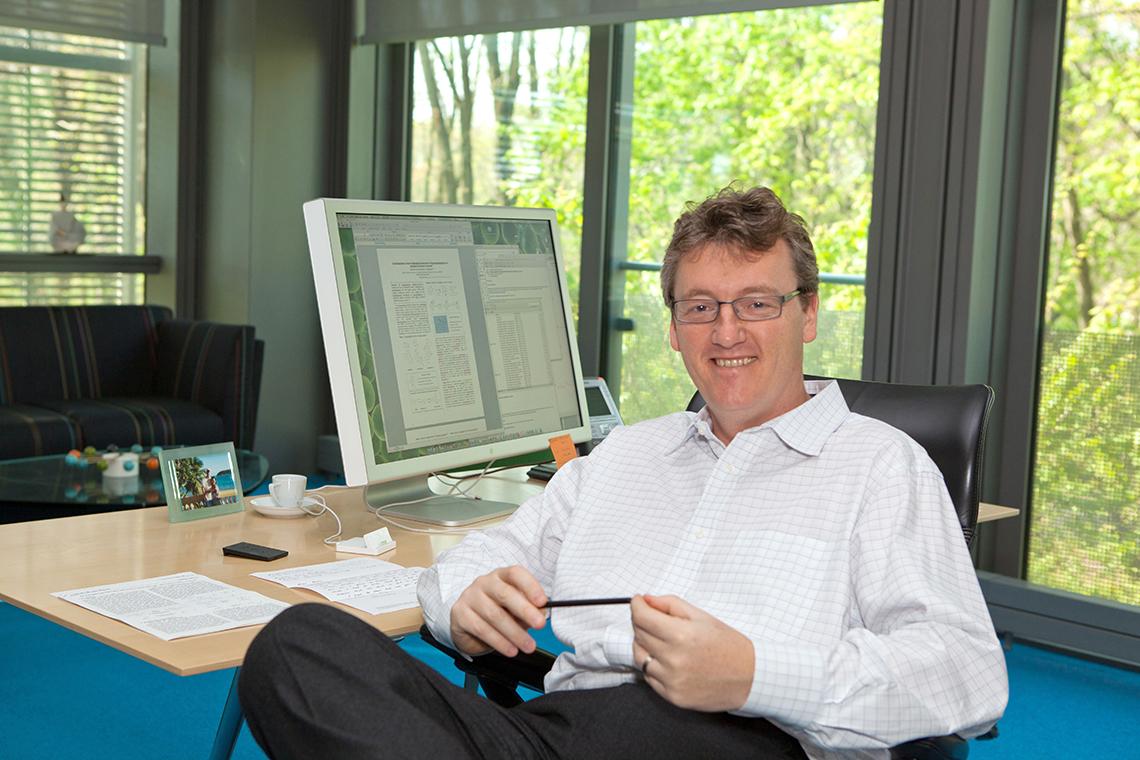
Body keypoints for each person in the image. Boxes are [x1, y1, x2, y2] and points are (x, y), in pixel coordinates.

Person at [239, 186, 1008, 759]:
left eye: (757, 304)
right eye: (701, 307)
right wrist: (463, 601)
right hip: (554, 732)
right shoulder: (624, 456)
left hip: (742, 740)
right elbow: (484, 554)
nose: (728, 331)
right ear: (673, 330)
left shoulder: (880, 466)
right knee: (297, 644)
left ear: (807, 315)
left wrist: (753, 676)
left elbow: (966, 674)